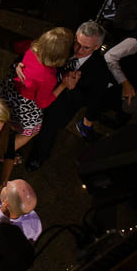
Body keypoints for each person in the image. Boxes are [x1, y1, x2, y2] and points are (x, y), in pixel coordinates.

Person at [26, 21, 112, 165]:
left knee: (47, 134)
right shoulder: (64, 46)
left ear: (97, 47)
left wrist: (72, 89)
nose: (78, 50)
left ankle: (38, 158)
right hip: (38, 96)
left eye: (86, 47)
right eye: (77, 43)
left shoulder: (100, 70)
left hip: (60, 109)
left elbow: (92, 99)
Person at [0, 27, 77, 151]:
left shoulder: (31, 48)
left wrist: (18, 65)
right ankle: (3, 152)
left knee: (5, 117)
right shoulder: (48, 77)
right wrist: (63, 85)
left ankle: (0, 131)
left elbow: (17, 46)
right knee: (32, 130)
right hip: (24, 105)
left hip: (9, 92)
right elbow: (42, 103)